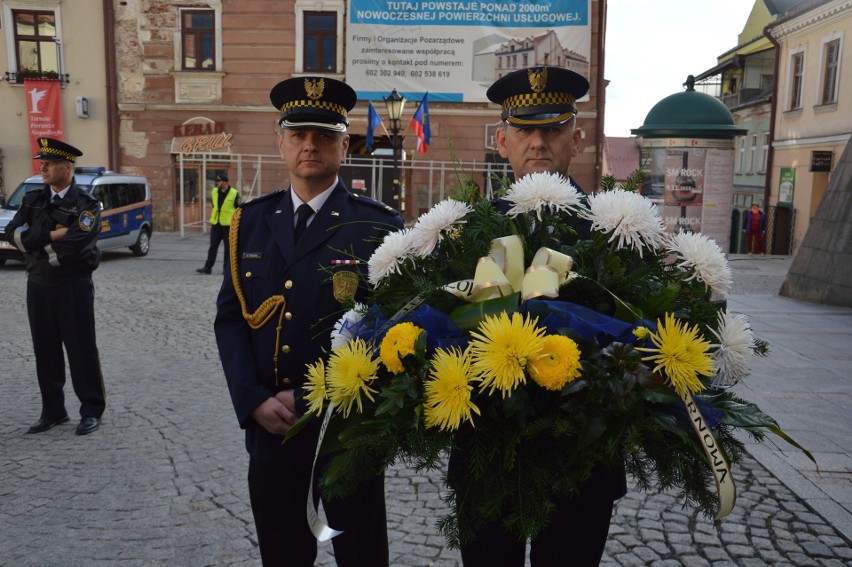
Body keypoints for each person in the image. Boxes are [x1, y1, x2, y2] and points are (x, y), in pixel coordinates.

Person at [214, 76, 403, 567]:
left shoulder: (379, 227)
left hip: (347, 433)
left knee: (361, 555)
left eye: (323, 136)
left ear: (345, 143)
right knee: (283, 556)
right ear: (281, 143)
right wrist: (252, 399)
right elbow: (231, 322)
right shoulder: (249, 222)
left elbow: (396, 337)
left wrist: (314, 397)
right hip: (272, 433)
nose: (310, 146)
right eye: (298, 135)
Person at [449, 67, 627, 567]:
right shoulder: (463, 233)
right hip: (487, 451)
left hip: (582, 458)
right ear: (501, 140)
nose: (538, 142)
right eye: (525, 130)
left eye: (552, 129)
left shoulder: (614, 229)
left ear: (577, 137)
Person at [5, 137, 106, 436]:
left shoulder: (87, 206)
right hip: (37, 286)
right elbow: (12, 235)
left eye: (49, 164)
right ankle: (53, 410)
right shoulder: (33, 199)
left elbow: (75, 247)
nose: (43, 168)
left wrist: (35, 243)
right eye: (42, 163)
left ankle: (91, 409)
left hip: (72, 286)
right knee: (45, 349)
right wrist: (51, 235)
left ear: (67, 167)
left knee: (81, 349)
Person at [196, 172, 240, 274]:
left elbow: (238, 209)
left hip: (228, 225)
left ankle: (226, 269)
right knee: (213, 246)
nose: (217, 183)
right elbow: (214, 205)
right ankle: (208, 268)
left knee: (228, 248)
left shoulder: (234, 193)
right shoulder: (215, 191)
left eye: (219, 181)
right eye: (217, 181)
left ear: (225, 182)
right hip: (216, 223)